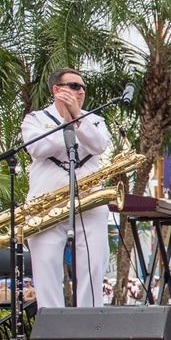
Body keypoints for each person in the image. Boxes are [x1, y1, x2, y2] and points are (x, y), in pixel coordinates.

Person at [21, 68, 111, 308]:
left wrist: (78, 119)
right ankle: (52, 334)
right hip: (46, 206)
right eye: (73, 86)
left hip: (89, 203)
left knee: (93, 268)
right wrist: (67, 125)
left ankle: (91, 329)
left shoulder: (94, 119)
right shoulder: (35, 119)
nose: (79, 91)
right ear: (56, 90)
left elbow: (99, 144)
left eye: (82, 87)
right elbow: (37, 149)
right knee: (46, 270)